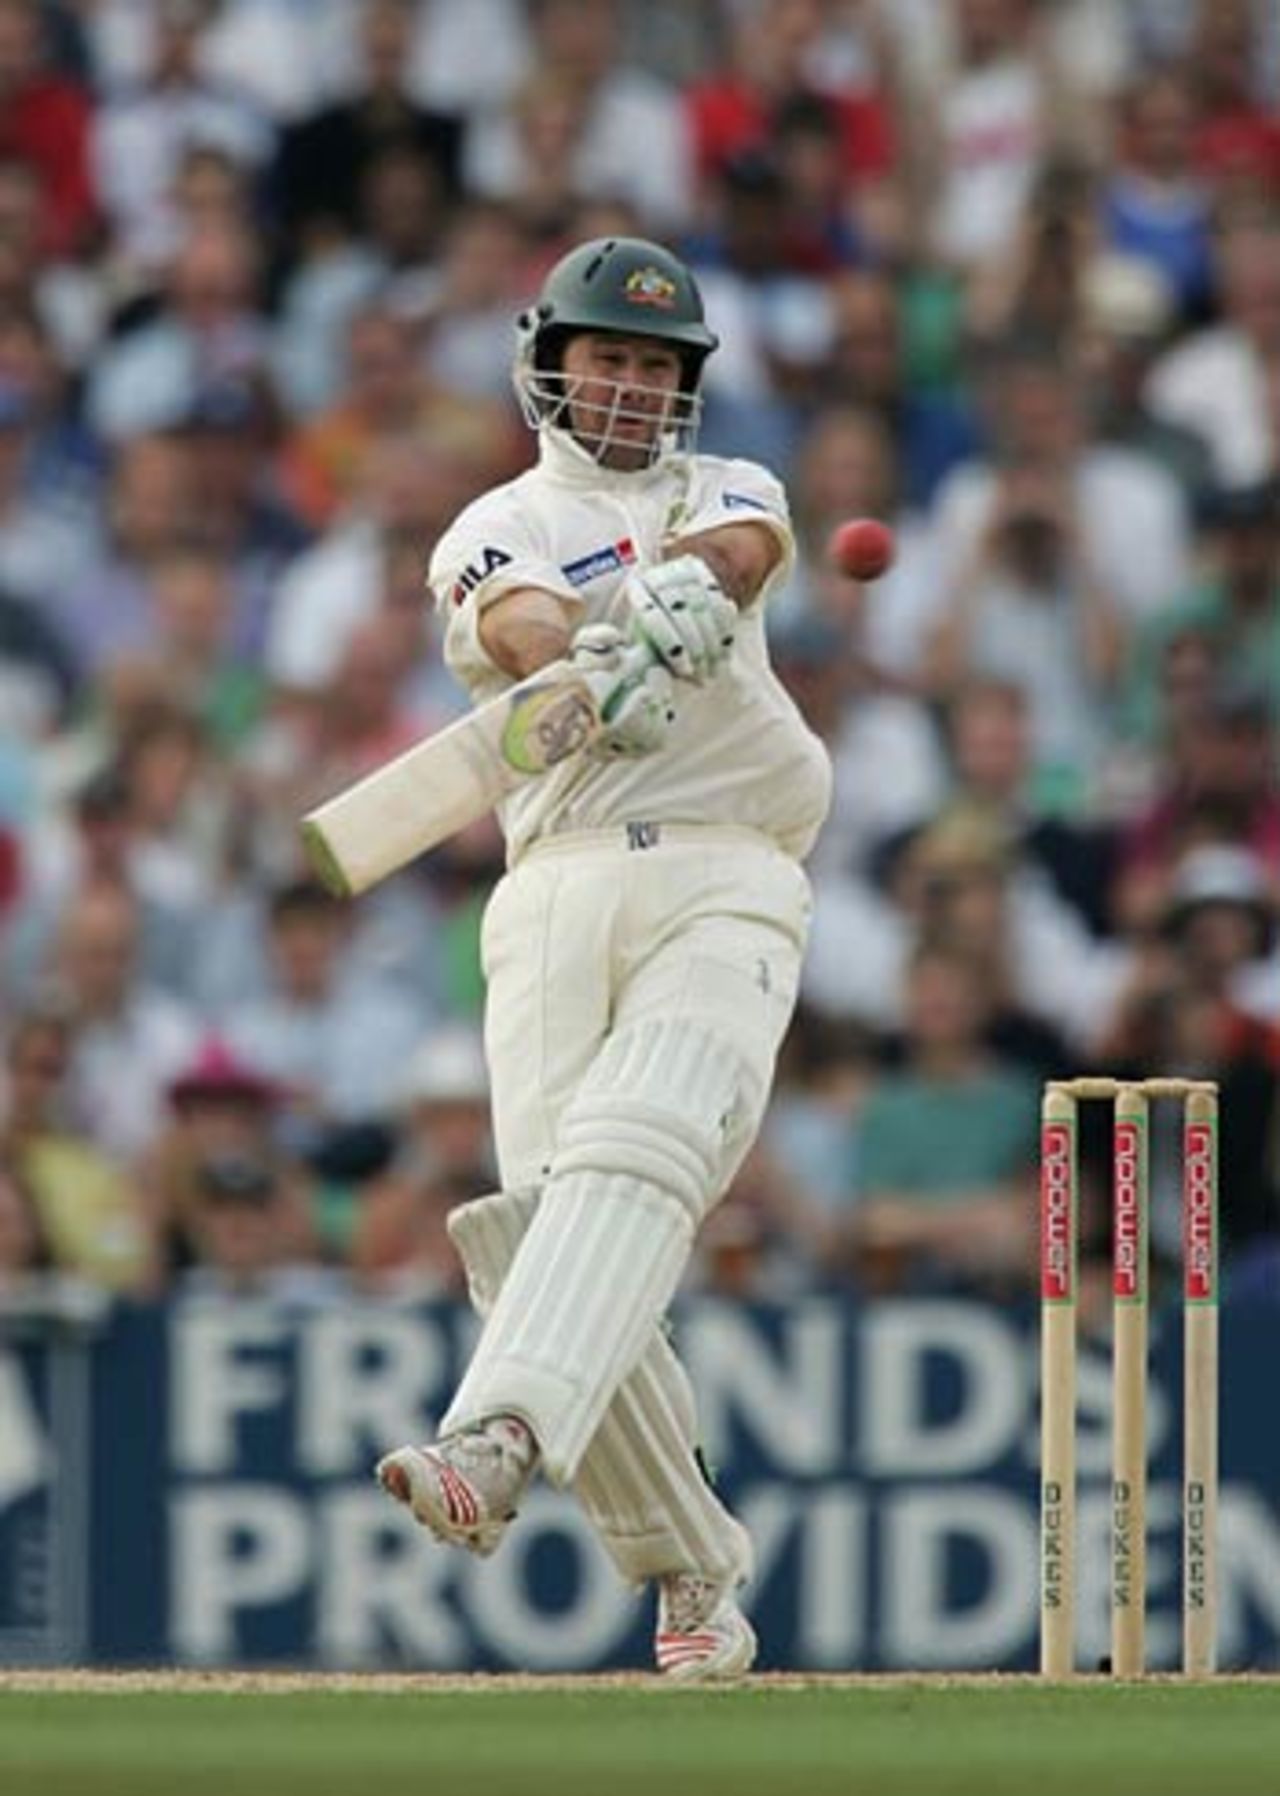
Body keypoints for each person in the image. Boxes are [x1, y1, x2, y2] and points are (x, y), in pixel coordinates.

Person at [375, 236, 832, 1680]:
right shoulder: (492, 522)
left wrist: (678, 603)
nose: (633, 387)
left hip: (729, 868)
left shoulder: (725, 488)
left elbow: (744, 550)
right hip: (556, 886)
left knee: (636, 1156)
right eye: (609, 360)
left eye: (656, 365)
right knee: (545, 1232)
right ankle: (694, 1572)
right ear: (551, 367)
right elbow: (512, 623)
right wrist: (588, 649)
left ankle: (491, 1438)